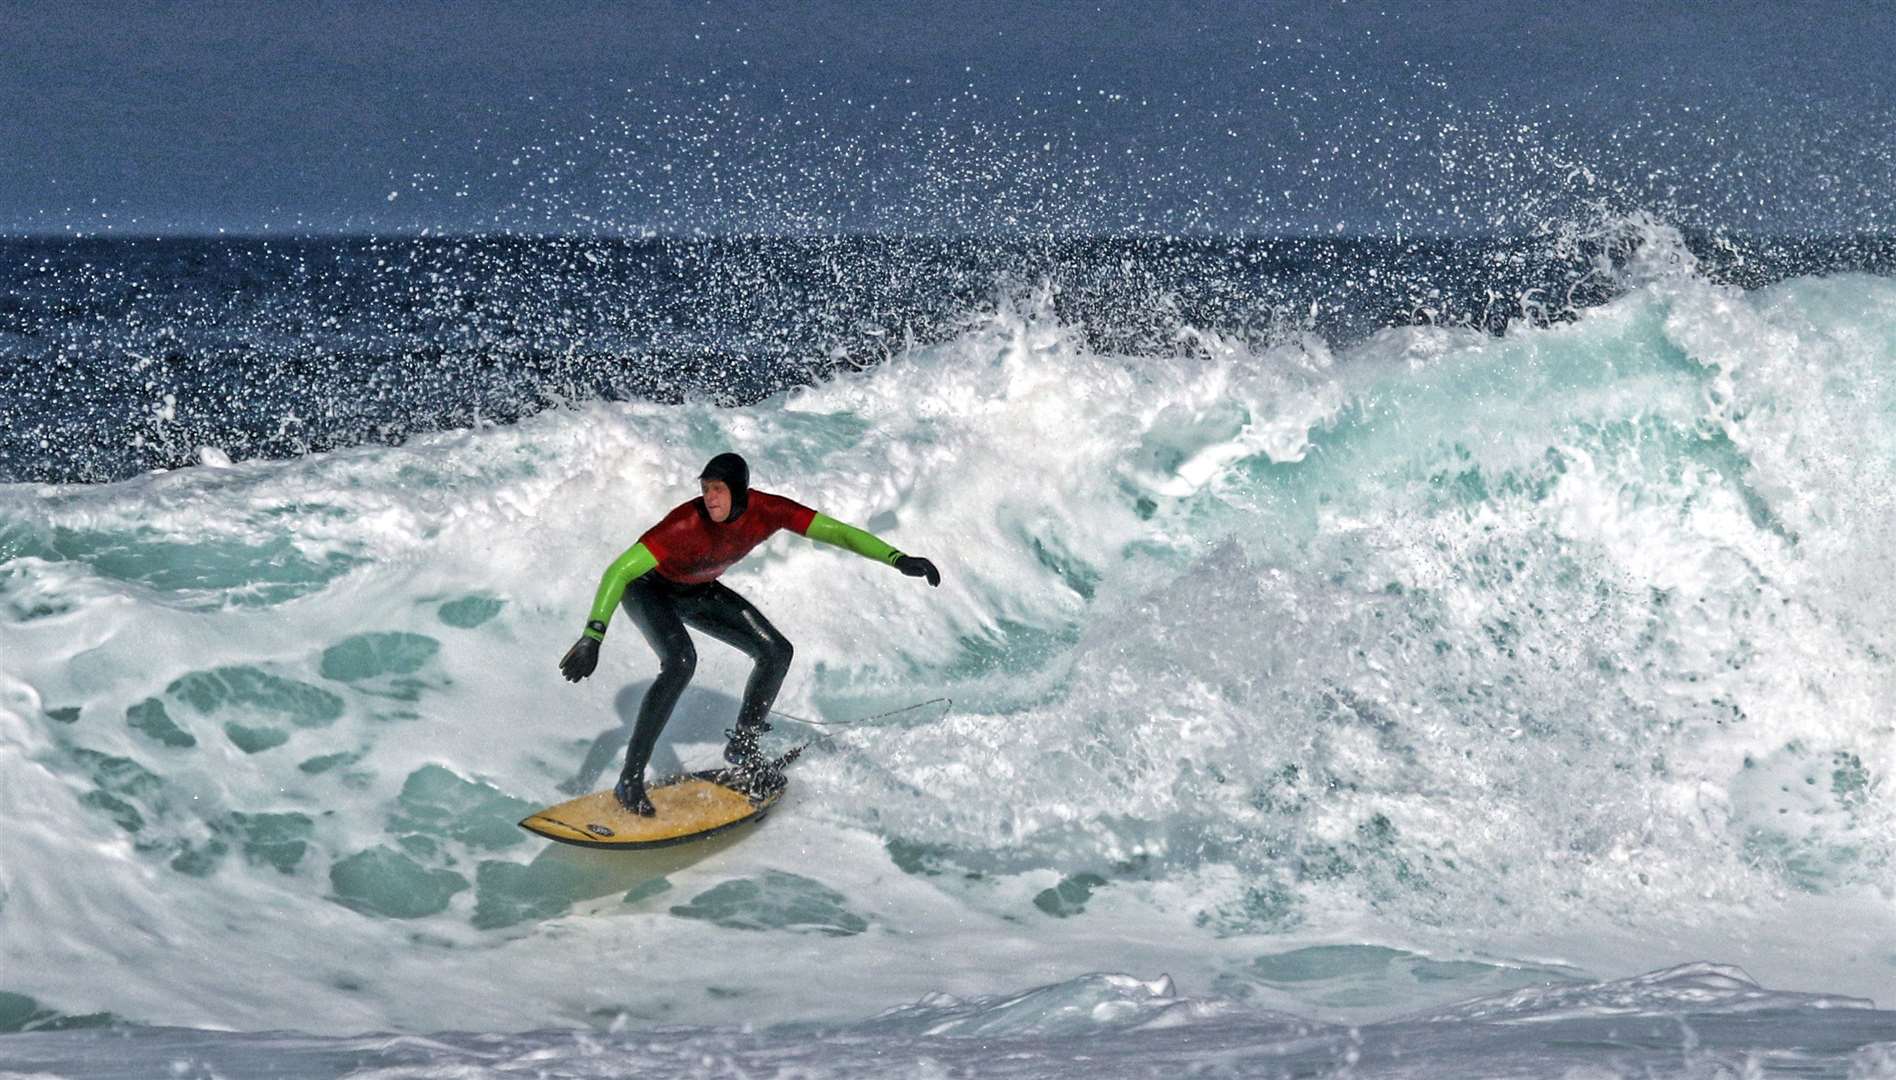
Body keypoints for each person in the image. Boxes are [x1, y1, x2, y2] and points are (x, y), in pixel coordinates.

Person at [558, 452, 941, 815]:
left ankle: (742, 746)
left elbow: (836, 532)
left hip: (696, 590)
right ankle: (630, 780)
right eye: (705, 488)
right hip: (648, 589)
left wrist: (897, 558)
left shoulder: (768, 511)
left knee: (776, 651)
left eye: (718, 489)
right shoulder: (684, 523)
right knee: (680, 662)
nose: (709, 498)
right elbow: (619, 571)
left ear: (739, 491)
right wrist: (593, 636)